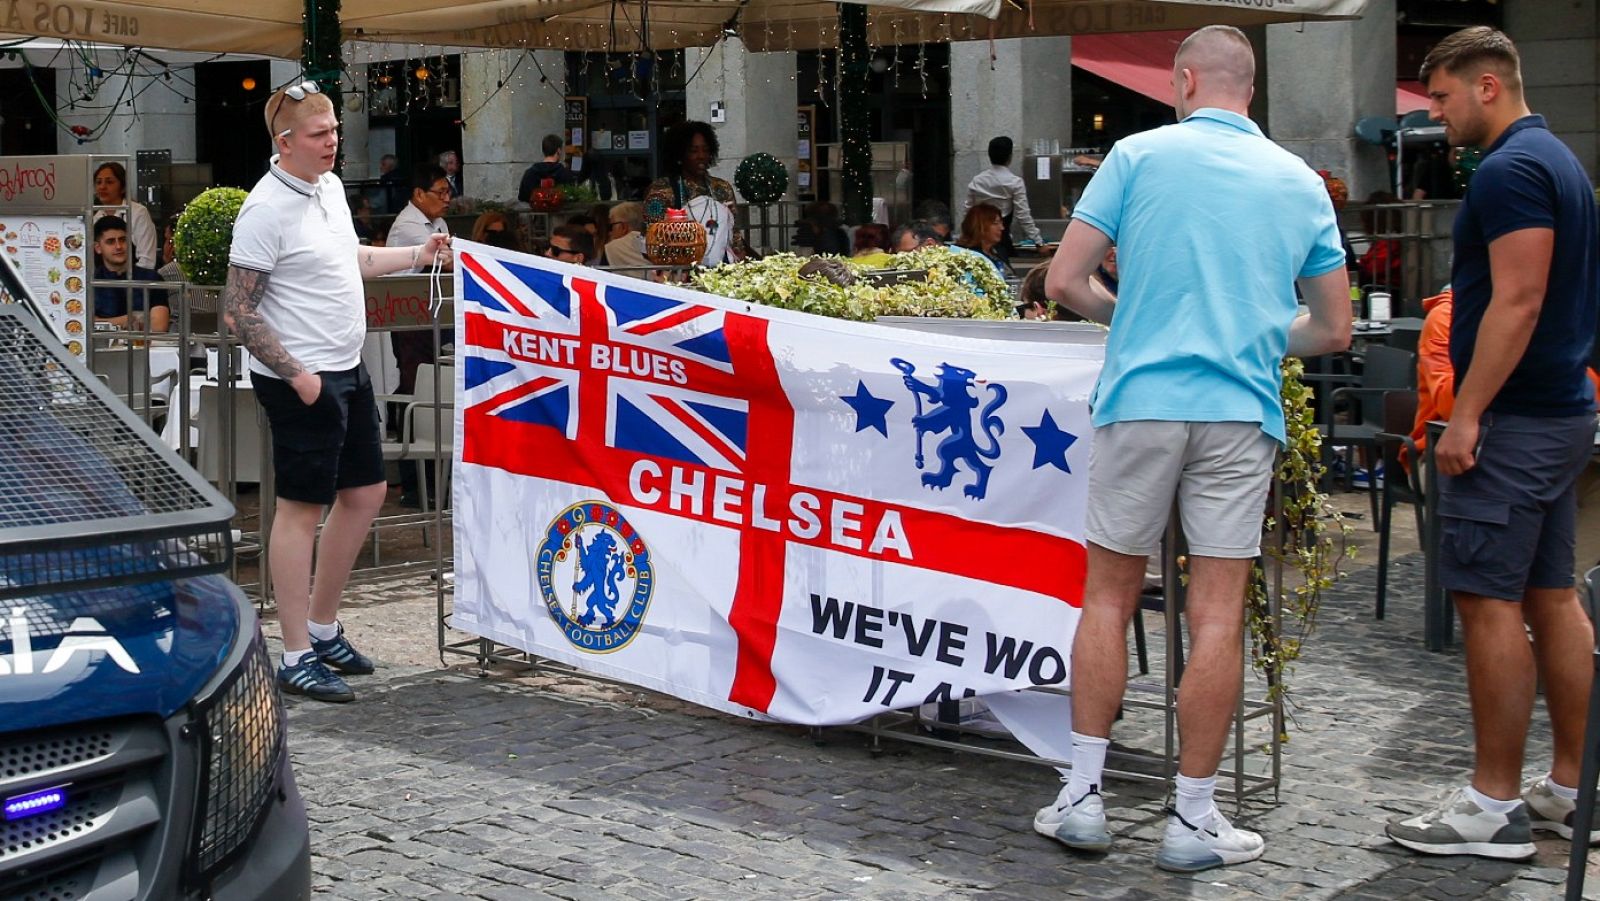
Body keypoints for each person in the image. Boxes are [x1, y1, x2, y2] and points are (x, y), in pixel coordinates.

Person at [1037, 25, 1350, 873]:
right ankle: (1195, 816)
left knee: (1106, 596)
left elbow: (1064, 280)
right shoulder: (1299, 182)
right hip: (1239, 408)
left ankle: (1084, 796)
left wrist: (1131, 320)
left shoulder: (1137, 156)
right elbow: (1332, 327)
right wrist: (1249, 336)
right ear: (1251, 91)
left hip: (1142, 400)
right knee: (1215, 611)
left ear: (1182, 80)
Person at [1385, 26, 1600, 861]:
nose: (1433, 115)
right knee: (1550, 597)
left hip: (1512, 422)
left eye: (1439, 97)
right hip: (1553, 414)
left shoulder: (1512, 169)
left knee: (1488, 602)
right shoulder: (1560, 163)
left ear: (1486, 85)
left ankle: (1492, 803)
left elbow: (1519, 298)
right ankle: (1572, 789)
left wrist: (1467, 412)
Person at [225, 79, 451, 703]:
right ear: (286, 142)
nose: (333, 142)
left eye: (334, 131)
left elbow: (347, 258)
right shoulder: (264, 209)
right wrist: (299, 378)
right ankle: (295, 651)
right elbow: (238, 313)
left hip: (346, 368)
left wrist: (414, 256)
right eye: (321, 134)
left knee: (368, 493)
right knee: (301, 510)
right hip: (303, 377)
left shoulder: (325, 188)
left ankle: (323, 630)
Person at [386, 165, 455, 508]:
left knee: (434, 386)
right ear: (418, 194)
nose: (446, 199)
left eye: (448, 192)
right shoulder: (410, 226)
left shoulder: (438, 223)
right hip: (408, 316)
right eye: (439, 192)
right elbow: (447, 260)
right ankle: (414, 483)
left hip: (433, 314)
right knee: (414, 388)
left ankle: (434, 480)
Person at [643, 121, 747, 260]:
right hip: (680, 269)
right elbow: (652, 238)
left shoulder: (721, 188)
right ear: (679, 155)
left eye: (705, 150)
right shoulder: (661, 191)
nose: (701, 156)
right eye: (693, 151)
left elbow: (733, 233)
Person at [958, 136, 1048, 260]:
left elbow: (967, 212)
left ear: (989, 156)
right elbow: (1023, 216)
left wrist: (964, 235)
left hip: (977, 239)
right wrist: (1039, 242)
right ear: (1010, 157)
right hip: (1001, 241)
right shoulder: (1015, 182)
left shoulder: (977, 180)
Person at [92, 215, 169, 332]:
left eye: (123, 240)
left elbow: (159, 326)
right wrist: (128, 319)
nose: (118, 246)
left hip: (145, 348)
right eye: (110, 242)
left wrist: (105, 322)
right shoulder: (90, 282)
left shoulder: (152, 279)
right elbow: (85, 324)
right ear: (98, 248)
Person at [93, 162, 158, 269]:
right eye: (98, 182)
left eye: (109, 182)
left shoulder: (138, 212)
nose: (102, 187)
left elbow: (147, 260)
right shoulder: (95, 217)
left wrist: (125, 280)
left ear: (123, 187)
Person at [1356, 190, 1403, 288]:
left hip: (1385, 290)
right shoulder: (1389, 239)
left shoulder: (1389, 242)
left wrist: (1362, 265)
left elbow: (1374, 268)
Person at [954, 203, 1008, 276]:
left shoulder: (1000, 252)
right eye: (996, 223)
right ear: (980, 226)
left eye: (1001, 223)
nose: (1002, 228)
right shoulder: (965, 255)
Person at [519, 135, 575, 203]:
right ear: (559, 151)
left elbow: (522, 197)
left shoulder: (529, 174)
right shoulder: (566, 174)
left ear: (543, 150)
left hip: (534, 212)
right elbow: (572, 197)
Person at [602, 201, 649, 270]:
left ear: (624, 227)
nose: (610, 232)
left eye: (611, 226)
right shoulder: (657, 243)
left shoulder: (611, 248)